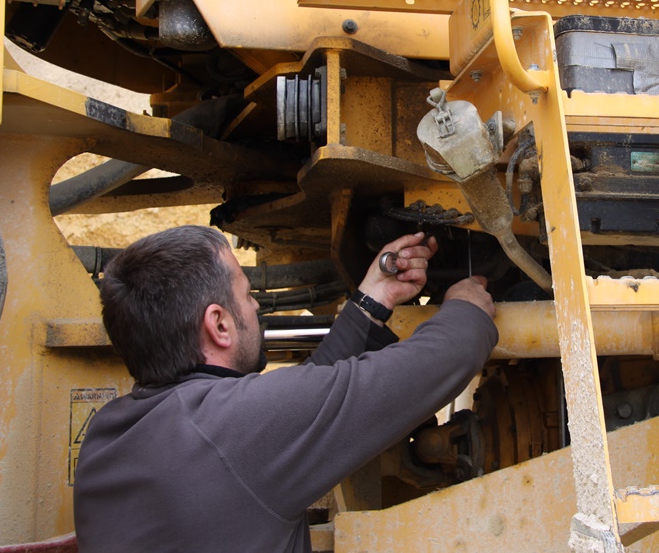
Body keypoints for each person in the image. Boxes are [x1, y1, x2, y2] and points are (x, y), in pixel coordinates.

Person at [73, 225, 497, 552]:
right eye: (247, 294)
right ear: (219, 324)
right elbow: (447, 356)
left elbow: (294, 415)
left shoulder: (106, 439)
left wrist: (372, 299)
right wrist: (466, 308)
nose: (257, 305)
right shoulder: (238, 432)